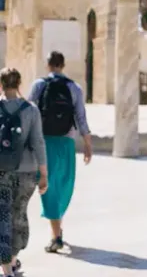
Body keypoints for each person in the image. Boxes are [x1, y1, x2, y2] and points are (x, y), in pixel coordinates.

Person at [28, 51, 92, 253]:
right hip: (66, 142)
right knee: (63, 185)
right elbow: (81, 117)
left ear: (48, 65)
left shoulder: (39, 85)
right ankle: (57, 234)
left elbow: (29, 112)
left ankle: (56, 233)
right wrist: (88, 144)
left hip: (44, 141)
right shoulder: (74, 87)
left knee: (48, 186)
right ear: (63, 65)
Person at [0, 68, 48, 277]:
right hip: (26, 172)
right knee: (18, 215)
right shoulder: (31, 110)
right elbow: (38, 142)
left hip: (1, 171)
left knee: (2, 216)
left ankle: (6, 268)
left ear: (1, 84)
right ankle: (11, 259)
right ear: (19, 84)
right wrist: (43, 173)